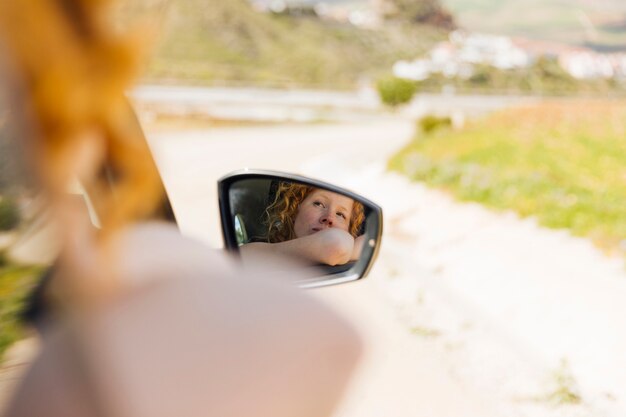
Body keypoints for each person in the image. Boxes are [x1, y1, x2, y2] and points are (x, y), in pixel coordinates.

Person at [0, 1, 362, 417]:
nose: (332, 218)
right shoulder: (248, 264)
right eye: (319, 203)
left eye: (344, 215)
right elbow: (334, 250)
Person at [241, 182, 366, 266]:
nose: (329, 218)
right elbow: (336, 244)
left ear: (349, 230)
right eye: (319, 204)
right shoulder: (255, 249)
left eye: (340, 214)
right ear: (295, 209)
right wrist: (355, 250)